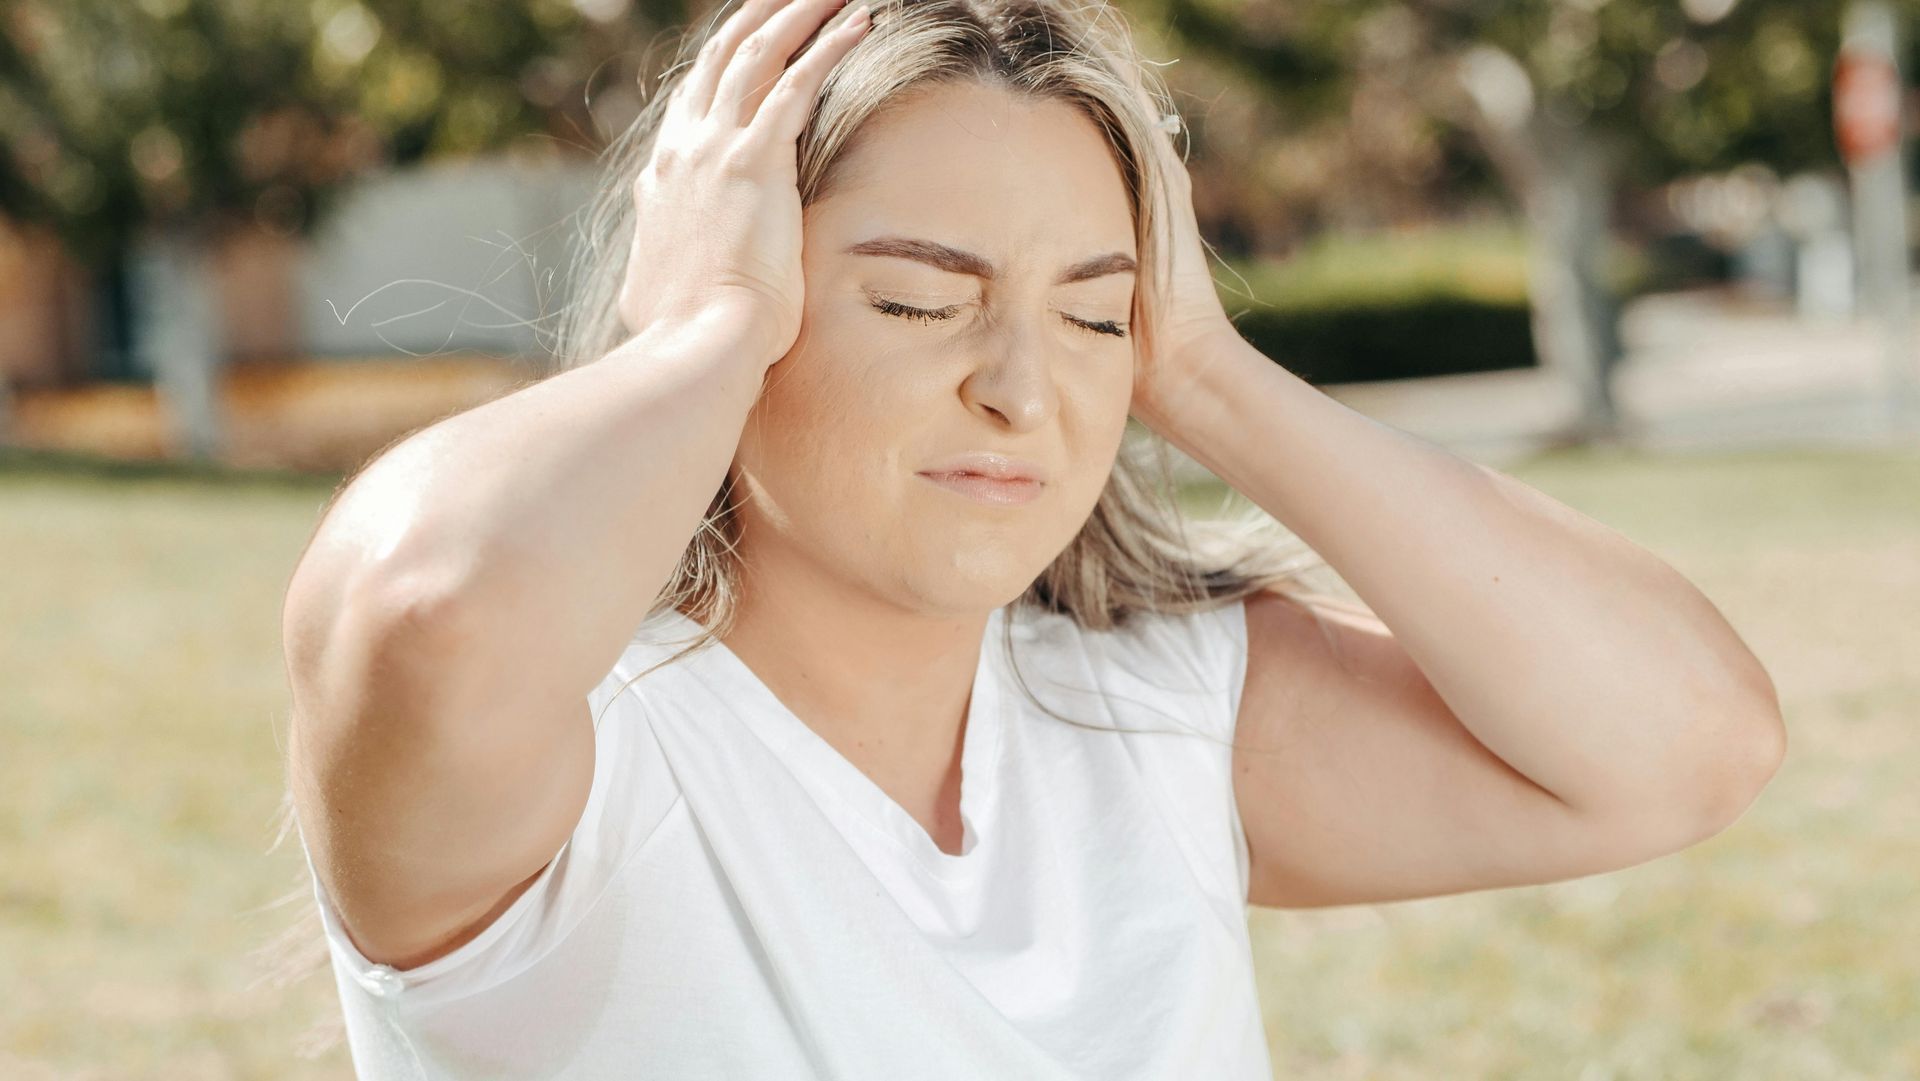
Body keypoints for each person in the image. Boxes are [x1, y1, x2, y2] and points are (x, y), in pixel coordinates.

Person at [272, 0, 1787, 1075]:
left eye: (1093, 313)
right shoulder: (579, 772)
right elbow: (429, 605)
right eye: (918, 300)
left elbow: (1691, 744)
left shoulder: (1156, 720)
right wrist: (701, 327)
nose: (1020, 389)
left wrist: (1209, 373)